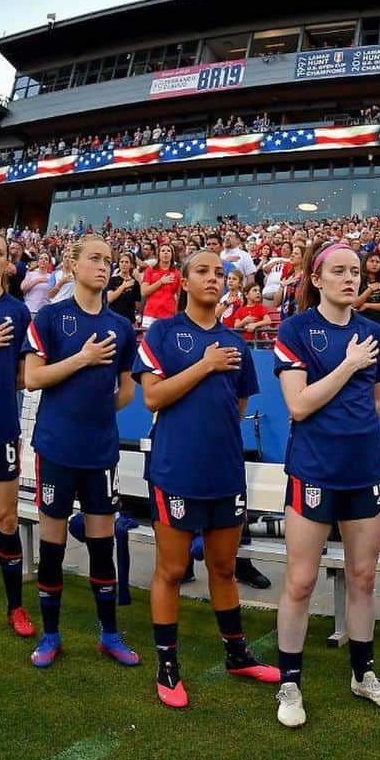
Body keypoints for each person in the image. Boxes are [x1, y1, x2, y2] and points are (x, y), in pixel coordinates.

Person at [133, 250, 278, 707]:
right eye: (203, 271)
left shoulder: (234, 342)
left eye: (220, 273)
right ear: (184, 280)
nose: (213, 279)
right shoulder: (164, 332)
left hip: (225, 473)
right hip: (175, 471)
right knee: (173, 570)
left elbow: (236, 410)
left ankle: (237, 655)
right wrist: (204, 365)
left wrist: (217, 364)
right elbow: (152, 398)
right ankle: (168, 665)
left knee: (222, 567)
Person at [273, 241, 380, 729]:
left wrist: (347, 413)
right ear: (318, 278)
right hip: (313, 470)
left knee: (364, 577)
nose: (351, 278)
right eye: (340, 271)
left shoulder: (374, 333)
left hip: (364, 470)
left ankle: (363, 674)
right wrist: (347, 367)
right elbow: (299, 405)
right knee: (301, 580)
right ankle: (290, 684)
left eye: (356, 271)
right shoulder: (297, 329)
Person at [22, 235, 139, 668]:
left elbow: (127, 390)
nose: (103, 266)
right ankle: (51, 636)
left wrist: (95, 411)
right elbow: (32, 377)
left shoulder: (121, 327)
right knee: (51, 547)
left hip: (100, 452)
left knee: (101, 545)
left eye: (108, 260)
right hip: (55, 447)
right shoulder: (51, 318)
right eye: (94, 258)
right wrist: (83, 359)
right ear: (71, 266)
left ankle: (109, 634)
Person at [0, 232, 34, 636]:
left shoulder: (18, 313)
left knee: (5, 518)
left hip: (0, 427)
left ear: (9, 262)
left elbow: (26, 375)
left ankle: (15, 608)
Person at [140, 244, 181, 328]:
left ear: (172, 255)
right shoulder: (150, 271)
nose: (165, 253)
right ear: (158, 254)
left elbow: (180, 296)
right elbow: (144, 292)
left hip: (169, 313)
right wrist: (160, 282)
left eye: (168, 251)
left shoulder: (177, 273)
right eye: (163, 251)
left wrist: (176, 313)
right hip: (151, 313)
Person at [355, 252, 380, 327]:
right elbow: (355, 304)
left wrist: (367, 305)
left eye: (377, 262)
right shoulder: (358, 282)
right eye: (372, 261)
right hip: (361, 323)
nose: (375, 264)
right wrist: (370, 289)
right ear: (365, 263)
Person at [106, 250, 143, 324]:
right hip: (114, 319)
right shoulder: (113, 280)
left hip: (129, 320)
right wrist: (122, 287)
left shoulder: (135, 283)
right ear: (118, 264)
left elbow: (138, 305)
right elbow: (109, 299)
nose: (124, 264)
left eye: (126, 262)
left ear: (131, 265)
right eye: (121, 262)